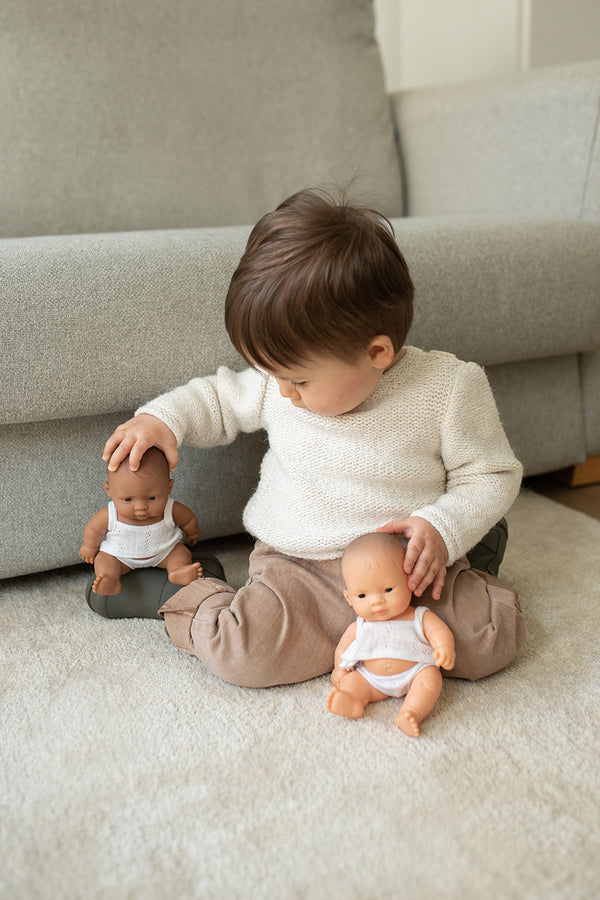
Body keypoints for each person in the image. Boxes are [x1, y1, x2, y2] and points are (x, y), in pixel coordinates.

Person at [101, 188, 525, 688]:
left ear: (377, 353)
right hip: (300, 569)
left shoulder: (447, 388)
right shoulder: (276, 383)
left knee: (489, 640)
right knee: (243, 653)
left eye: (299, 381)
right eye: (270, 373)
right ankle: (178, 596)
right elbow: (216, 399)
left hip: (404, 570)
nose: (282, 392)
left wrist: (446, 526)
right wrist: (161, 420)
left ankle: (474, 551)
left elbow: (490, 473)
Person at [327, 532, 455, 737]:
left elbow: (438, 630)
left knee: (430, 679)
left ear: (410, 583)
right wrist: (339, 670)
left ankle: (411, 712)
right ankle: (352, 700)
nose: (376, 601)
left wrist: (444, 648)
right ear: (349, 598)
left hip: (414, 672)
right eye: (362, 595)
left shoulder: (418, 616)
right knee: (354, 682)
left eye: (387, 589)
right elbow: (343, 649)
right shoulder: (360, 626)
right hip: (371, 679)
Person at [80, 447, 202, 595]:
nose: (140, 507)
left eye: (151, 498)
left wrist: (192, 533)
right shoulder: (110, 514)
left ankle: (178, 570)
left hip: (164, 552)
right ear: (109, 490)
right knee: (104, 559)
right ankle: (111, 579)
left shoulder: (171, 508)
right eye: (128, 499)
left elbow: (188, 519)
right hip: (121, 557)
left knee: (181, 552)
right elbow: (94, 529)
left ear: (168, 487)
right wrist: (89, 547)